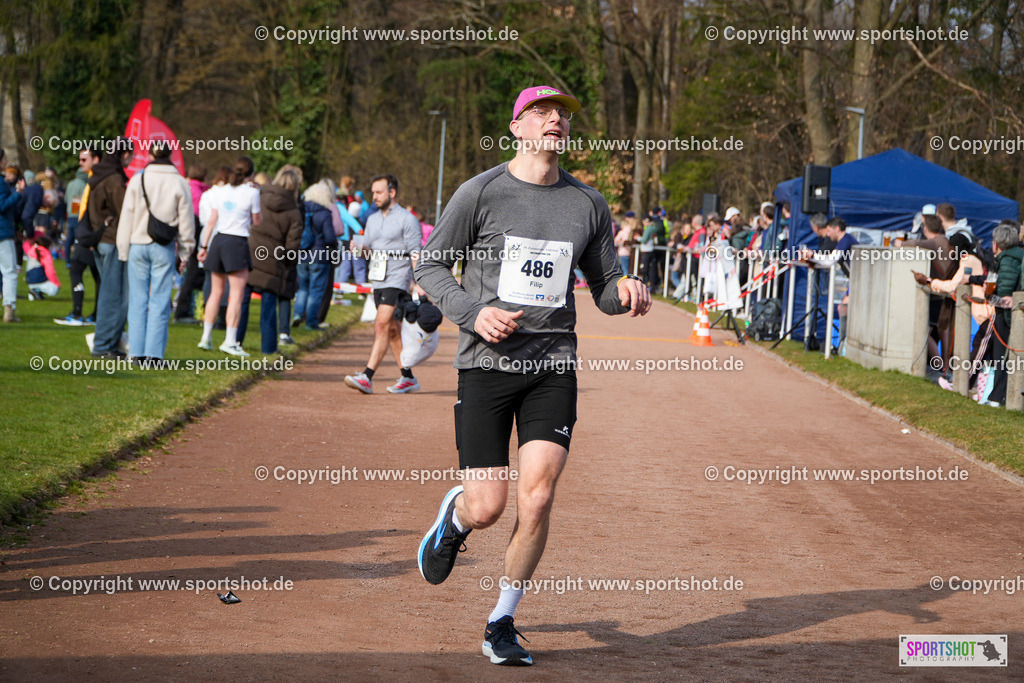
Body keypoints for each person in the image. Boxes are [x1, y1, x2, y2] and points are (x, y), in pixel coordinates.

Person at [414, 84, 651, 667]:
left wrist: (623, 293)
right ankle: (457, 517)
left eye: (563, 115)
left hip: (552, 365)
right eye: (542, 113)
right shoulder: (481, 192)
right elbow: (430, 264)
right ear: (517, 127)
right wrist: (475, 312)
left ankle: (502, 621)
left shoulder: (588, 203)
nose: (555, 121)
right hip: (487, 365)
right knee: (489, 506)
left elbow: (601, 287)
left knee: (539, 498)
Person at [343, 174, 423, 394]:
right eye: (373, 192)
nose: (374, 197)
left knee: (380, 324)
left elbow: (416, 252)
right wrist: (358, 248)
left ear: (392, 192)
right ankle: (408, 377)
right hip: (377, 279)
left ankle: (367, 377)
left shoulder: (408, 219)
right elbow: (368, 247)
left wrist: (420, 282)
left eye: (378, 192)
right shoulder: (372, 219)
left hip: (397, 279)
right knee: (393, 330)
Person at [117, 141, 195, 366]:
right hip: (164, 246)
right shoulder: (180, 182)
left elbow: (127, 216)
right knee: (160, 300)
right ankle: (154, 355)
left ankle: (136, 353)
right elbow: (187, 220)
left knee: (138, 300)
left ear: (150, 153)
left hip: (138, 244)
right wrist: (186, 249)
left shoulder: (138, 179)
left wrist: (123, 248)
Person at [197, 156, 260, 357]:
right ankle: (230, 341)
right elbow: (257, 221)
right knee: (236, 295)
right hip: (237, 242)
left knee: (215, 293)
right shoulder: (252, 193)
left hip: (218, 241)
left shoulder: (220, 191)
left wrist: (203, 246)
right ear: (250, 174)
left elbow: (212, 220)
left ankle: (206, 337)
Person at [929, 232, 992, 395]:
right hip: (984, 312)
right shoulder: (971, 257)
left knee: (979, 351)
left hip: (986, 312)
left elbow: (954, 285)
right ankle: (979, 389)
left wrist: (931, 282)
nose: (949, 252)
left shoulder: (967, 260)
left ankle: (961, 384)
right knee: (984, 353)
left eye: (951, 248)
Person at [249, 168, 302, 354]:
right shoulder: (294, 212)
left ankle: (235, 342)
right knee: (268, 309)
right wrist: (288, 263)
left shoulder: (260, 197)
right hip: (274, 261)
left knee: (241, 303)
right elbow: (292, 245)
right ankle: (269, 348)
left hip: (251, 252)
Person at [89, 138, 134, 357]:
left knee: (110, 293)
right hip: (113, 240)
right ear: (124, 154)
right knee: (115, 296)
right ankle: (104, 345)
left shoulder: (98, 175)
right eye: (130, 154)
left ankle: (108, 343)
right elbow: (126, 209)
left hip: (100, 240)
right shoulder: (115, 178)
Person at [970, 223, 1021, 406]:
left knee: (1002, 357)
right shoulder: (1009, 258)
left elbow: (1005, 297)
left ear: (997, 243)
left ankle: (997, 397)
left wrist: (988, 296)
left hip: (1005, 316)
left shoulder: (1007, 260)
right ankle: (997, 395)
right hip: (1006, 315)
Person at [898, 214, 953, 374]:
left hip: (936, 293)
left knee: (924, 329)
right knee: (943, 330)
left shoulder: (935, 242)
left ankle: (938, 365)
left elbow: (912, 244)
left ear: (926, 228)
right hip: (945, 292)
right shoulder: (945, 240)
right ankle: (945, 366)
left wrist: (899, 242)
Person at [56, 148, 102, 326]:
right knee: (97, 275)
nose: (80, 163)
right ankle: (96, 315)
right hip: (88, 232)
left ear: (95, 159)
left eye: (84, 159)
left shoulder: (97, 180)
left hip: (90, 235)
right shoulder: (92, 179)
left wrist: (92, 235)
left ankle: (77, 313)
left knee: (76, 268)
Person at [293, 180, 337, 331]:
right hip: (319, 256)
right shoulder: (324, 213)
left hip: (302, 254)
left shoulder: (301, 210)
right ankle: (311, 322)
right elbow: (330, 237)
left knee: (302, 288)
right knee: (316, 290)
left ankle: (297, 314)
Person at [172, 164, 209, 324]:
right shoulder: (200, 192)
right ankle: (183, 311)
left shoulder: (187, 186)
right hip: (194, 230)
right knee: (192, 275)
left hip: (185, 229)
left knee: (191, 274)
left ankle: (186, 309)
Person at [1, 149, 26, 322]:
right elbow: (2, 206)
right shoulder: (2, 183)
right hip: (2, 232)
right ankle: (9, 309)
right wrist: (18, 193)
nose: (6, 161)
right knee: (9, 271)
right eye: (4, 158)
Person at [23, 234, 60, 299]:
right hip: (39, 280)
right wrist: (56, 283)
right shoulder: (45, 252)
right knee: (54, 289)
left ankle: (36, 293)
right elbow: (49, 270)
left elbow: (25, 244)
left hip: (30, 281)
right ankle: (37, 291)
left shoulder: (32, 250)